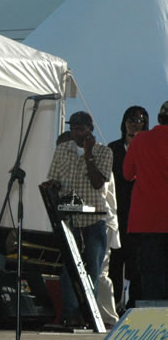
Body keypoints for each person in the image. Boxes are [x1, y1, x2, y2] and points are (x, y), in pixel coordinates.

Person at [43, 111, 113, 327]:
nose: (77, 133)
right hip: (69, 217)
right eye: (73, 128)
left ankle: (88, 313)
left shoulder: (104, 151)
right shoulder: (63, 149)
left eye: (81, 129)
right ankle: (70, 314)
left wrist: (89, 154)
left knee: (91, 268)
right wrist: (53, 188)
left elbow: (98, 183)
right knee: (69, 268)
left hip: (94, 219)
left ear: (91, 129)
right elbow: (52, 178)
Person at [57, 131, 120, 327]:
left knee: (98, 272)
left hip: (100, 221)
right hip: (75, 221)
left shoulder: (95, 160)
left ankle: (106, 318)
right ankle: (78, 313)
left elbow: (98, 188)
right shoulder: (69, 166)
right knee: (74, 268)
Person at [123, 101, 168, 300]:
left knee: (151, 273)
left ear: (159, 119)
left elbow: (127, 174)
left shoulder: (140, 140)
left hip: (147, 219)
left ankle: (155, 322)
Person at [107, 106, 148, 310]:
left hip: (140, 212)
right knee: (114, 260)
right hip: (117, 211)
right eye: (130, 120)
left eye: (139, 120)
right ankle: (113, 304)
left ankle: (133, 305)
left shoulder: (148, 148)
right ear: (124, 122)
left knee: (136, 262)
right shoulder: (113, 148)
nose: (134, 123)